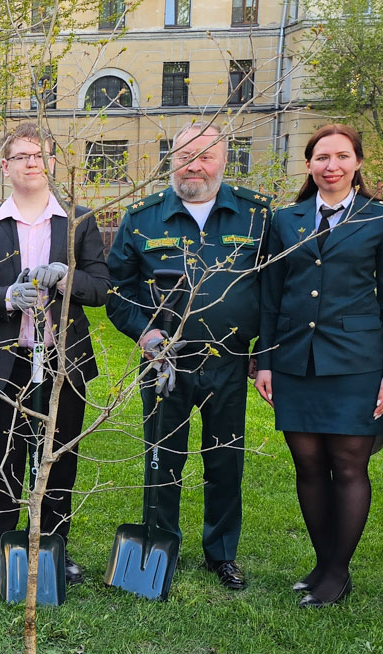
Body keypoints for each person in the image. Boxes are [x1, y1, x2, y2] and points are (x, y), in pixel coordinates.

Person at [106, 121, 269, 591]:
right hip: (165, 364)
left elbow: (274, 288)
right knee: (163, 457)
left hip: (229, 363)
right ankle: (161, 545)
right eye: (183, 156)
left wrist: (264, 351)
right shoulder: (143, 217)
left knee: (225, 461)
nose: (194, 165)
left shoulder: (256, 215)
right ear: (170, 159)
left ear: (225, 159)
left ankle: (221, 553)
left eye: (206, 156)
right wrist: (145, 333)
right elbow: (119, 291)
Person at [254, 125, 383, 608]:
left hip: (358, 363)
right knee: (309, 466)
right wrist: (265, 361)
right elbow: (271, 295)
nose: (332, 166)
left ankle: (337, 573)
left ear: (357, 163)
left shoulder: (381, 219)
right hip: (295, 359)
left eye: (342, 156)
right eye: (322, 157)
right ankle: (324, 564)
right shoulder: (284, 220)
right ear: (309, 165)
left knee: (348, 464)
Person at [0, 123, 111, 585]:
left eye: (40, 154)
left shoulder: (78, 222)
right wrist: (7, 298)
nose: (32, 162)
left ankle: (53, 545)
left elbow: (101, 288)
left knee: (59, 455)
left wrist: (66, 279)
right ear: (5, 166)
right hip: (4, 361)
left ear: (52, 164)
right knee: (0, 455)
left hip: (63, 362)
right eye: (22, 155)